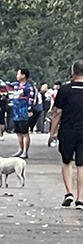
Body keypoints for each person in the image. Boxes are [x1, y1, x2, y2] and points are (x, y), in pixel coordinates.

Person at [48, 61, 83, 207]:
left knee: (66, 160)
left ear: (73, 72)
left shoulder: (65, 90)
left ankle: (69, 192)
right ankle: (80, 198)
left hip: (67, 130)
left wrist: (52, 132)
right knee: (81, 164)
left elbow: (57, 112)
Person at [8, 68, 36, 159]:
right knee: (18, 132)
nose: (17, 76)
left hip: (23, 112)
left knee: (25, 132)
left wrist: (29, 109)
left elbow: (31, 99)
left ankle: (25, 151)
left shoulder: (29, 87)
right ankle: (20, 149)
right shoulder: (16, 85)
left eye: (18, 74)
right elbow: (7, 85)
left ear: (23, 75)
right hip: (16, 112)